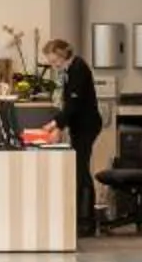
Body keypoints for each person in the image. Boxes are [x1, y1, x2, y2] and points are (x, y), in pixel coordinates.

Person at [43, 35, 105, 236]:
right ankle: (80, 218)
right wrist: (58, 125)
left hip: (87, 125)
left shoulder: (78, 68)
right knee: (79, 169)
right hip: (79, 125)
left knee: (80, 170)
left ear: (62, 55)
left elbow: (74, 104)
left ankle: (86, 221)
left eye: (54, 60)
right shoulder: (69, 70)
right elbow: (68, 103)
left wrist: (56, 124)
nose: (53, 65)